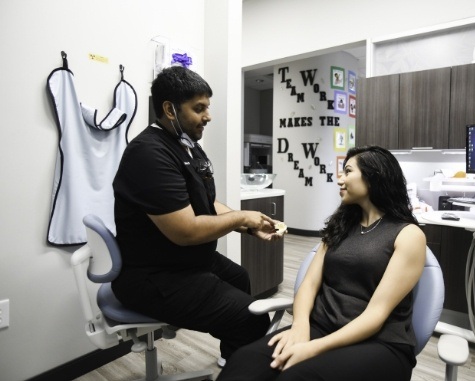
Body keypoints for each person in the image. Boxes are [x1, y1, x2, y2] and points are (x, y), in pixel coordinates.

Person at [111, 66, 285, 366]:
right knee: (251, 318)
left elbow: (206, 201)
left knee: (240, 278)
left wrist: (248, 224)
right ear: (169, 109)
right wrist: (242, 217)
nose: (208, 116)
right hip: (153, 276)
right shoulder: (149, 154)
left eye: (208, 107)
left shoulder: (186, 146)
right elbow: (186, 231)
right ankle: (242, 363)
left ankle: (233, 358)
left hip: (183, 261)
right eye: (199, 108)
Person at [217, 145, 426, 381]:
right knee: (245, 361)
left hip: (380, 343)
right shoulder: (340, 226)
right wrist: (300, 327)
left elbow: (376, 315)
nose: (340, 179)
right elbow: (309, 284)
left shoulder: (408, 235)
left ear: (374, 176)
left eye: (347, 172)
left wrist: (313, 348)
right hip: (320, 327)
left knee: (295, 377)